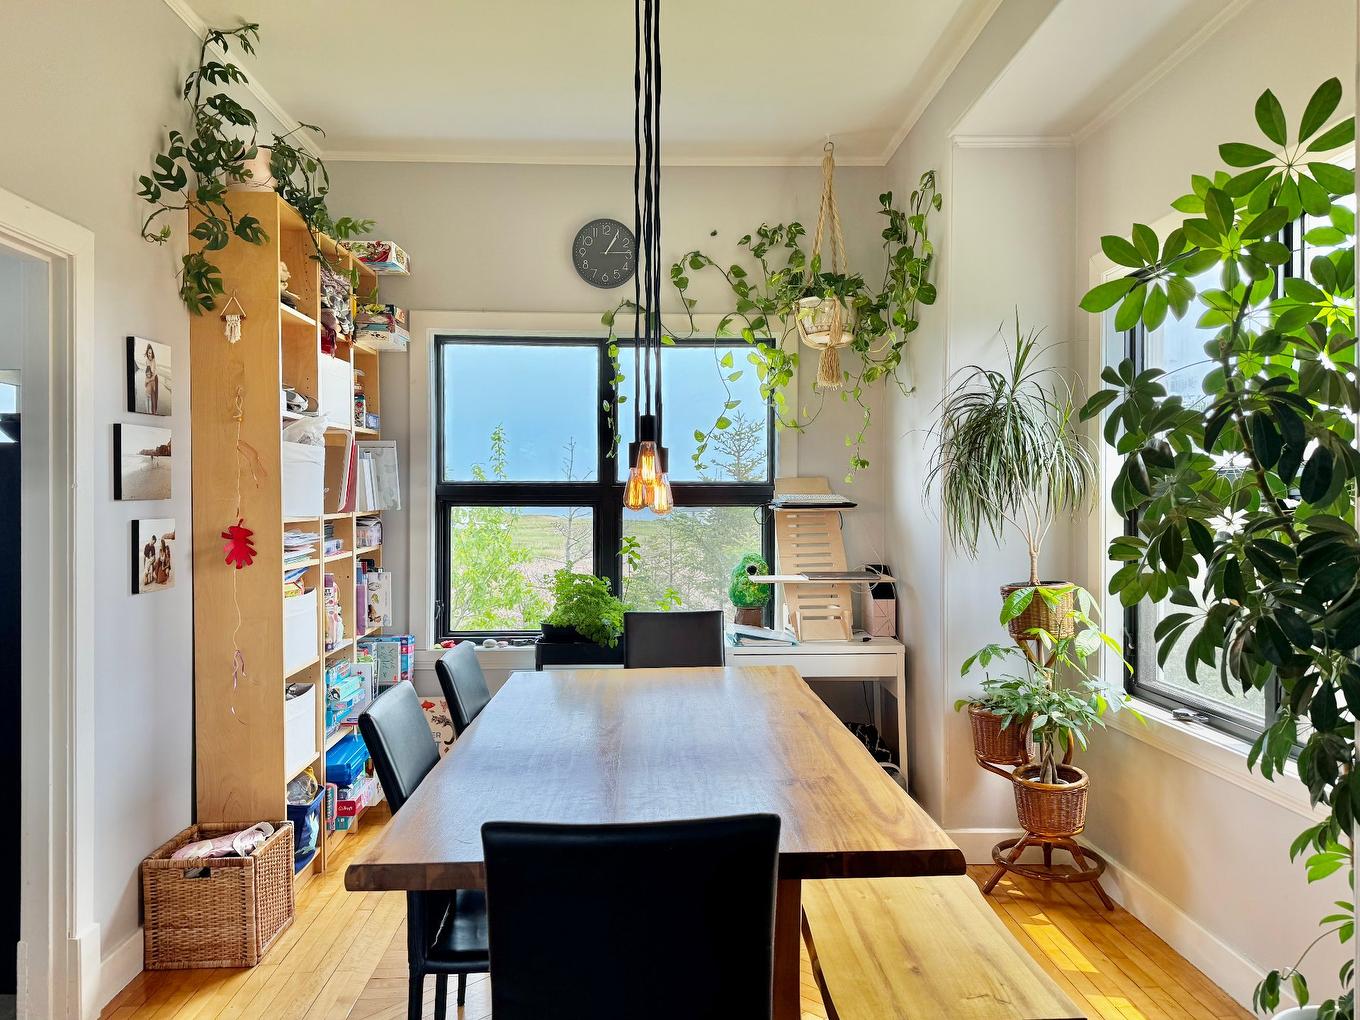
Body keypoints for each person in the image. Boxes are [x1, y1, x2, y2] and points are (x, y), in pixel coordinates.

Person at [144, 343, 159, 415]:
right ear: (147, 353)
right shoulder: (147, 360)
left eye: (151, 353)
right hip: (149, 377)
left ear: (152, 353)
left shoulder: (153, 360)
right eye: (149, 353)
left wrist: (150, 380)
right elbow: (147, 371)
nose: (150, 354)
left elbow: (154, 372)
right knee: (149, 394)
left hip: (154, 377)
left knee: (154, 395)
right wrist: (146, 380)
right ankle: (151, 412)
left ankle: (155, 411)